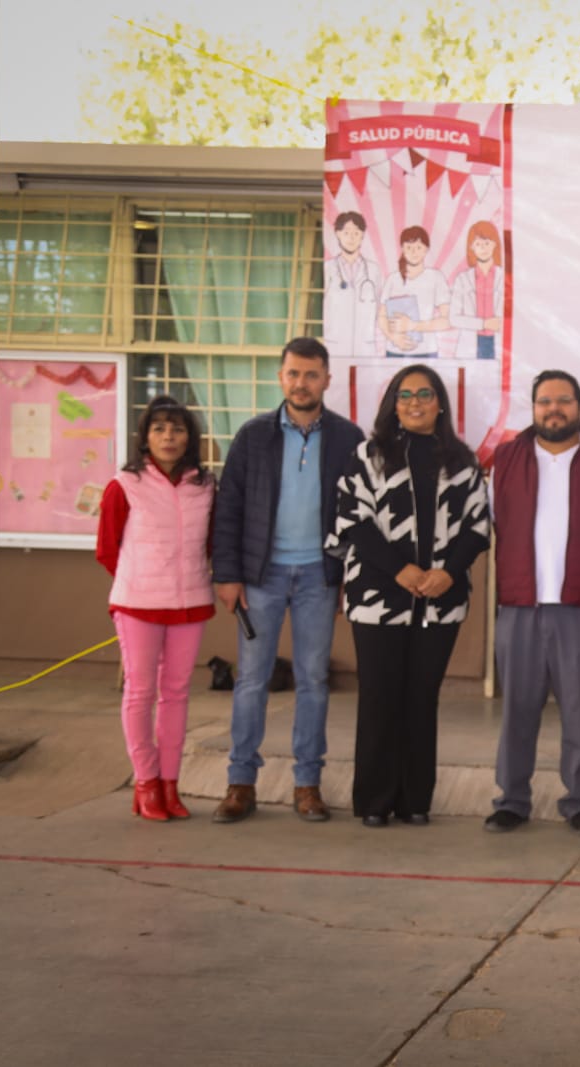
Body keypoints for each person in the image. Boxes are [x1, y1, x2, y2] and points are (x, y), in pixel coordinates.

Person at [327, 364, 490, 827]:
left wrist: (447, 573)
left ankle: (415, 800)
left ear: (440, 403)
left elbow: (478, 528)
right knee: (379, 697)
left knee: (422, 699)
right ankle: (375, 801)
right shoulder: (367, 456)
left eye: (424, 393)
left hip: (440, 600)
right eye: (404, 395)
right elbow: (351, 521)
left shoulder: (461, 460)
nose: (414, 402)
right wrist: (400, 570)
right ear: (392, 405)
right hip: (379, 598)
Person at [212, 337, 366, 823]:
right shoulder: (253, 436)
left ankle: (307, 784)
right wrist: (229, 574)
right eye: (293, 374)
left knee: (314, 681)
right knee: (252, 679)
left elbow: (359, 512)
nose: (302, 383)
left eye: (311, 374)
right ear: (281, 378)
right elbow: (229, 509)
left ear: (327, 379)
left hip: (319, 579)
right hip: (261, 578)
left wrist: (346, 577)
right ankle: (241, 783)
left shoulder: (347, 438)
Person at [485, 370, 580, 836]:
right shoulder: (506, 459)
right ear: (533, 407)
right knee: (517, 710)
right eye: (545, 401)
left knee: (579, 711)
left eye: (563, 400)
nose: (554, 409)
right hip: (520, 604)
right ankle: (512, 799)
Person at [96, 397, 215, 822]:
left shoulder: (205, 485)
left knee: (177, 693)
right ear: (145, 436)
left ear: (190, 437)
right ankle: (145, 783)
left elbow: (210, 544)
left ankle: (170, 784)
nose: (169, 437)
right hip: (138, 603)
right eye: (160, 428)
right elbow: (107, 549)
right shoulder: (124, 485)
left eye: (178, 429)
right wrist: (143, 579)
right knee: (141, 691)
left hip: (191, 602)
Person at [378, 225, 453, 358]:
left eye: (418, 247)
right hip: (395, 350)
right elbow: (381, 317)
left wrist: (413, 325)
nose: (414, 252)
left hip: (426, 352)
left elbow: (446, 320)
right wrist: (393, 338)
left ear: (426, 249)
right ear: (402, 249)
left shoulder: (436, 277)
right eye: (409, 247)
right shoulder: (393, 279)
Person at [323, 211, 380, 358]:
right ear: (337, 233)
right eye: (346, 232)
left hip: (365, 346)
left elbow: (380, 307)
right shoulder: (328, 268)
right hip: (335, 345)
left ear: (362, 236)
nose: (351, 238)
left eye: (356, 233)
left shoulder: (373, 270)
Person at [449, 220, 505, 361]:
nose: (483, 248)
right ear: (471, 248)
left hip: (498, 341)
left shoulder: (505, 278)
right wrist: (483, 324)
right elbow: (453, 318)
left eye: (487, 243)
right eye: (478, 244)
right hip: (470, 343)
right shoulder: (462, 279)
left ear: (495, 245)